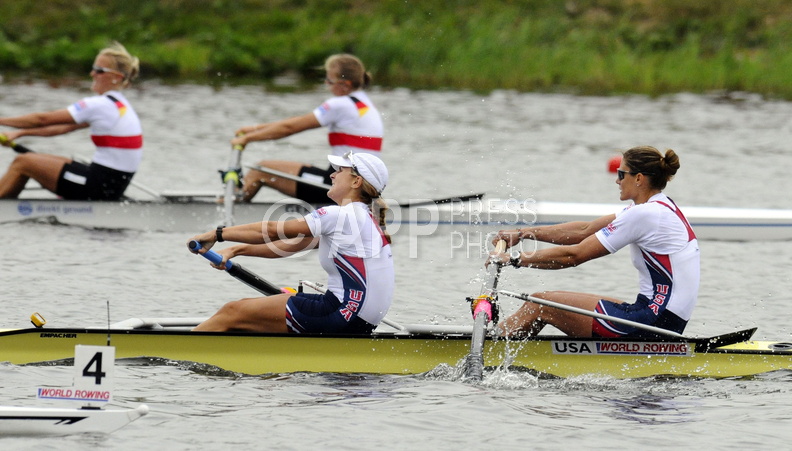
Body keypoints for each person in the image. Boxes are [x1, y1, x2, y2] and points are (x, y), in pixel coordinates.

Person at [489, 146, 699, 338]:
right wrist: (522, 233)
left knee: (539, 304)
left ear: (639, 179)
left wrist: (511, 258)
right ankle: (512, 352)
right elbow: (584, 230)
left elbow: (574, 256)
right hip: (661, 316)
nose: (617, 180)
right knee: (546, 300)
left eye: (621, 174)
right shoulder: (660, 207)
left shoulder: (646, 214)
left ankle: (489, 350)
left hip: (654, 320)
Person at [189, 151, 393, 334]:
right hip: (360, 319)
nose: (332, 175)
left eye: (340, 171)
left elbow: (271, 231)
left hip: (341, 315)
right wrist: (235, 250)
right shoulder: (367, 219)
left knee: (233, 311)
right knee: (245, 308)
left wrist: (217, 234)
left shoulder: (340, 215)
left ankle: (179, 350)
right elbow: (292, 245)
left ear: (356, 182)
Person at [231, 53, 383, 204]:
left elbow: (290, 128)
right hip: (357, 185)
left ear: (345, 85)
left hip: (337, 186)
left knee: (260, 169)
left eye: (329, 81)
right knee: (302, 167)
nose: (326, 84)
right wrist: (254, 129)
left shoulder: (340, 104)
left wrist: (246, 139)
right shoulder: (364, 104)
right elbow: (296, 121)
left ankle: (229, 213)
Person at [0, 42, 142, 200]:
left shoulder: (99, 105)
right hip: (111, 185)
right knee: (42, 160)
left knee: (23, 162)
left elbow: (42, 119)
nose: (92, 74)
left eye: (99, 70)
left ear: (117, 77)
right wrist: (19, 133)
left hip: (98, 186)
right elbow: (60, 128)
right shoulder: (119, 105)